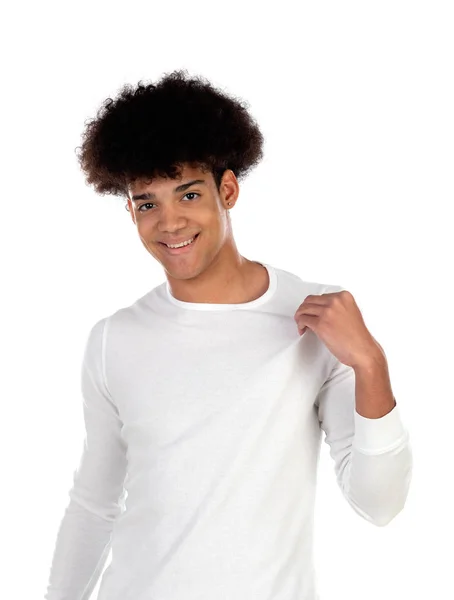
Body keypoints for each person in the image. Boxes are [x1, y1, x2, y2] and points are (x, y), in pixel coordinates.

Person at [44, 69, 412, 600]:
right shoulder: (113, 339)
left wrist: (371, 365)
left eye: (188, 195)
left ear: (228, 189)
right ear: (130, 211)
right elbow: (93, 504)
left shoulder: (316, 320)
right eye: (147, 203)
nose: (169, 222)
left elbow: (381, 504)